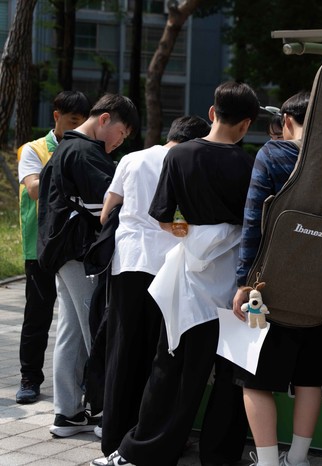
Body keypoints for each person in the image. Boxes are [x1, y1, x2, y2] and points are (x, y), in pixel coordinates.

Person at [92, 81, 259, 466]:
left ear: (213, 113)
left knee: (173, 369)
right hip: (238, 279)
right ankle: (220, 456)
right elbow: (257, 223)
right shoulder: (250, 163)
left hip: (191, 280)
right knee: (232, 372)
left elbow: (164, 217)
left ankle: (147, 451)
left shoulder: (180, 155)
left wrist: (195, 234)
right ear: (246, 124)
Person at [231, 91, 322, 466]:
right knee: (310, 378)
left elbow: (254, 221)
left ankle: (267, 461)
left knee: (255, 378)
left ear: (286, 120)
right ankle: (297, 459)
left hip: (271, 288)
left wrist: (244, 281)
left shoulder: (272, 154)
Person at [98, 116, 210, 456]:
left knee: (122, 351)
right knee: (160, 357)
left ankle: (112, 435)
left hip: (129, 263)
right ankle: (147, 435)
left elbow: (106, 211)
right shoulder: (189, 164)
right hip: (169, 269)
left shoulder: (132, 159)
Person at [37, 94, 139, 437]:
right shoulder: (84, 152)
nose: (120, 142)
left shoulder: (66, 148)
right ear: (105, 119)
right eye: (121, 133)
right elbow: (107, 207)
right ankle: (107, 415)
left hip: (62, 253)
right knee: (96, 331)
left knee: (71, 332)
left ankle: (68, 413)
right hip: (80, 253)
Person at [15, 91, 90, 404]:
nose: (77, 127)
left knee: (80, 320)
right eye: (72, 121)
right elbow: (34, 189)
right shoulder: (33, 150)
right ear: (56, 116)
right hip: (41, 247)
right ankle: (30, 378)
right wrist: (66, 160)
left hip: (75, 247)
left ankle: (84, 381)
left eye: (82, 122)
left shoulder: (87, 149)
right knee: (38, 315)